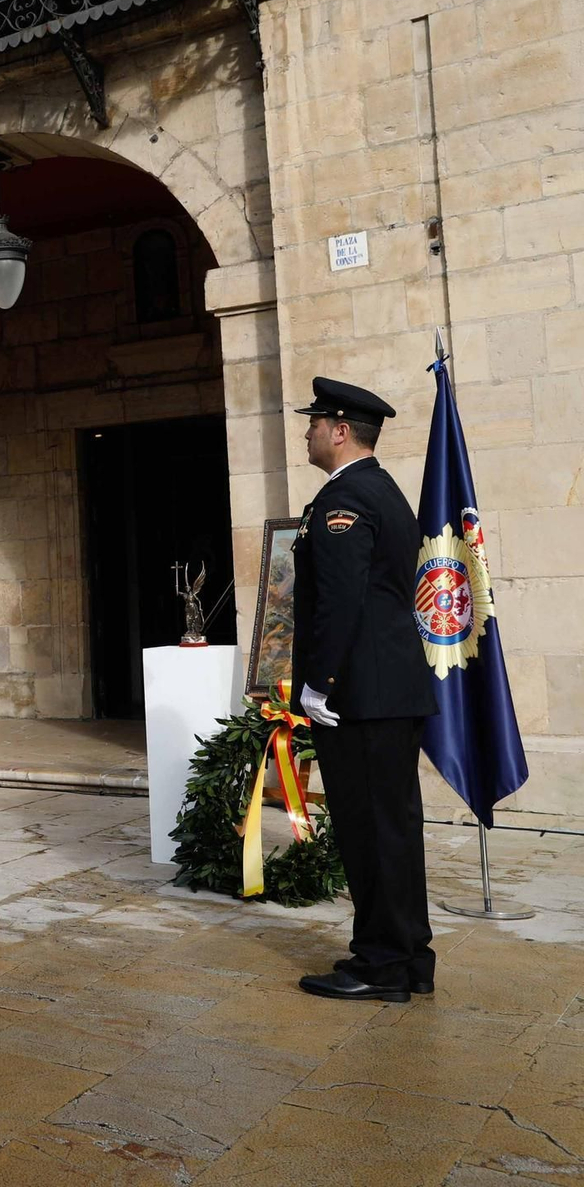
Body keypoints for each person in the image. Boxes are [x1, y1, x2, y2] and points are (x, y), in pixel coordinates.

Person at [290, 378, 441, 1003]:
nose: (307, 432)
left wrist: (318, 685)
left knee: (368, 830)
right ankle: (407, 958)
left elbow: (342, 604)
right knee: (393, 830)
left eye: (314, 423)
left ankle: (380, 965)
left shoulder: (345, 500)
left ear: (341, 430)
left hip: (359, 696)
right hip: (388, 692)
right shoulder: (383, 490)